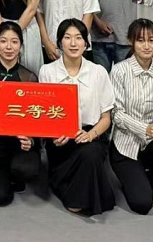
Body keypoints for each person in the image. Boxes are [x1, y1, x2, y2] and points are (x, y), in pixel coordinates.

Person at [39, 19, 115, 215]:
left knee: (90, 152)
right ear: (59, 42)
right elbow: (44, 115)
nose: (73, 43)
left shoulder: (98, 72)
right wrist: (55, 134)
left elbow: (106, 117)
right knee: (77, 155)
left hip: (91, 133)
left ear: (86, 43)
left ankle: (76, 198)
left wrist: (91, 135)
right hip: (60, 137)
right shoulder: (47, 71)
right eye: (67, 38)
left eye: (79, 38)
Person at [109, 18, 153, 215]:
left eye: (152, 40)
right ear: (131, 41)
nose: (147, 46)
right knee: (142, 204)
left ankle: (152, 175)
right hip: (125, 144)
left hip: (152, 142)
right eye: (140, 40)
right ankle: (131, 176)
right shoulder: (119, 71)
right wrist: (144, 128)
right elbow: (116, 113)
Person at [0, 21, 41, 207]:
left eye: (14, 41)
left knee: (27, 170)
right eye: (3, 41)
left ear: (21, 44)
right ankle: (2, 174)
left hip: (20, 141)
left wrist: (31, 140)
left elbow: (36, 117)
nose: (9, 47)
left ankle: (13, 172)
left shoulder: (29, 78)